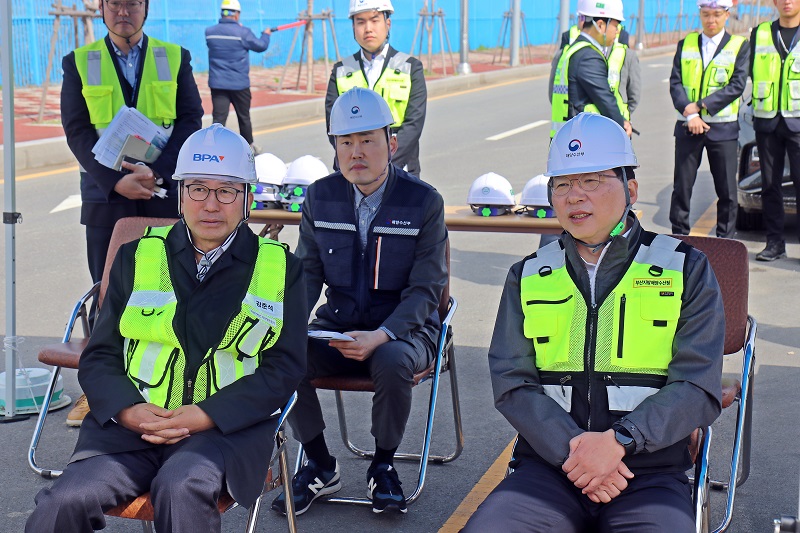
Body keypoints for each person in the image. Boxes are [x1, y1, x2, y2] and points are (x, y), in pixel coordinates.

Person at [25, 124, 307, 533]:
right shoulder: (137, 257)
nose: (211, 204)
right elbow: (102, 356)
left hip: (222, 435)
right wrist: (129, 410)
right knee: (63, 502)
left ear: (247, 197)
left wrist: (203, 416)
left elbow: (284, 369)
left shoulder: (282, 269)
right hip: (131, 432)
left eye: (226, 190)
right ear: (179, 192)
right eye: (197, 188)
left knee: (181, 487)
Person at [463, 113, 725, 533]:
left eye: (592, 180)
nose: (574, 197)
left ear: (631, 189)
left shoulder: (684, 268)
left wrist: (619, 442)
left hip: (650, 475)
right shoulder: (527, 274)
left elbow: (698, 386)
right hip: (549, 468)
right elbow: (512, 382)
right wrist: (577, 451)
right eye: (563, 184)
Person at [272, 87, 447, 516]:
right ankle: (318, 462)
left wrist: (382, 334)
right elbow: (308, 273)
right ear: (334, 148)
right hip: (339, 326)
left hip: (405, 331)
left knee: (391, 361)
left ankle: (383, 466)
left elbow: (427, 289)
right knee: (278, 352)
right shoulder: (320, 197)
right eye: (345, 142)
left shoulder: (423, 201)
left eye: (367, 139)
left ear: (391, 143)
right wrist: (287, 325)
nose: (356, 152)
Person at [60, 0, 203, 426]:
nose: (124, 11)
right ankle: (98, 394)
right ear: (102, 9)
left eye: (132, 3)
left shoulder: (175, 58)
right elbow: (76, 128)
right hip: (107, 199)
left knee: (169, 293)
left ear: (146, 9)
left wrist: (156, 170)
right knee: (106, 296)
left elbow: (190, 119)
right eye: (115, 3)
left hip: (160, 194)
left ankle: (169, 387)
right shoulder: (79, 62)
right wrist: (113, 180)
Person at [669, 0, 748, 239]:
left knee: (726, 191)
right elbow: (675, 83)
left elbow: (737, 85)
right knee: (682, 188)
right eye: (705, 14)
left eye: (716, 14)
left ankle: (726, 239)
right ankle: (679, 237)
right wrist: (691, 113)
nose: (710, 20)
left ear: (726, 14)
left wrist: (702, 106)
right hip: (688, 126)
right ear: (700, 15)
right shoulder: (686, 44)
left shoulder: (739, 46)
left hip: (723, 130)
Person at [325, 0, 427, 177]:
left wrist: (384, 165)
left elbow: (413, 125)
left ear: (388, 24)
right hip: (352, 172)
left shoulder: (410, 67)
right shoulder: (341, 70)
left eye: (374, 20)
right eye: (361, 22)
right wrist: (356, 161)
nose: (368, 28)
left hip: (399, 170)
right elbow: (333, 126)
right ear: (353, 27)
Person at [749, 0, 800, 260]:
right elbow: (749, 73)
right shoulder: (760, 34)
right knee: (770, 185)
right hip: (767, 120)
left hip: (798, 122)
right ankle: (774, 243)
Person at [550, 0, 634, 139]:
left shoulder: (574, 50)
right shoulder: (588, 56)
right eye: (615, 24)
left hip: (568, 139)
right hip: (582, 142)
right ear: (600, 25)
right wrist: (621, 127)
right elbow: (605, 99)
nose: (618, 30)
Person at [206, 0, 272, 154]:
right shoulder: (243, 33)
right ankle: (248, 147)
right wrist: (266, 34)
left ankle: (211, 149)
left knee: (218, 118)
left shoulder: (210, 32)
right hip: (239, 84)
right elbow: (260, 46)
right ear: (236, 14)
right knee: (244, 117)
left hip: (218, 83)